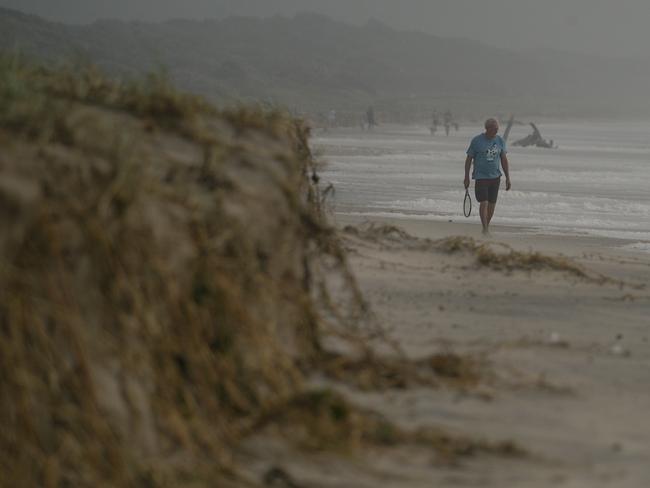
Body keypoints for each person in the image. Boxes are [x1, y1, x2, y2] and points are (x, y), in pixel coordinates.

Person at [464, 118, 511, 236]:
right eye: (494, 129)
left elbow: (504, 160)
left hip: (495, 177)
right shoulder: (476, 141)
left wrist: (508, 177)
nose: (496, 131)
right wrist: (466, 177)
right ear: (487, 128)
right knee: (484, 203)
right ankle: (485, 229)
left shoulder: (500, 141)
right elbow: (469, 159)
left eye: (497, 129)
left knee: (491, 205)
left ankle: (486, 227)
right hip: (481, 177)